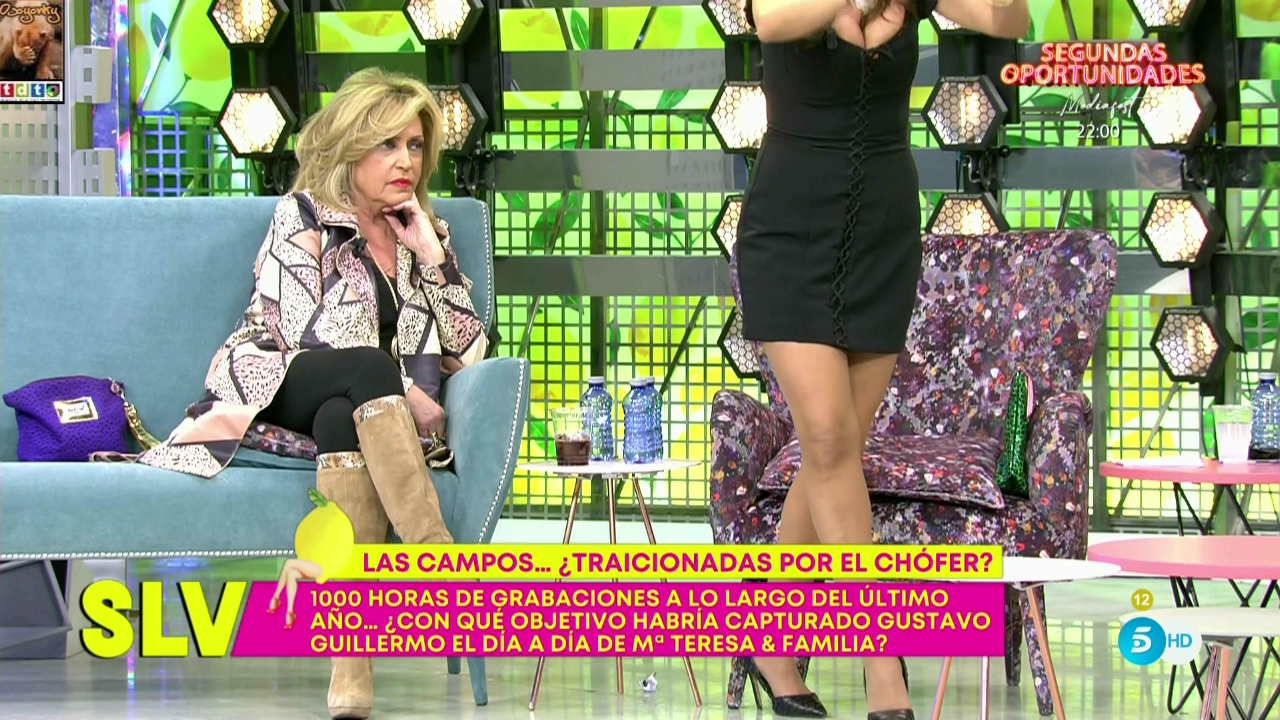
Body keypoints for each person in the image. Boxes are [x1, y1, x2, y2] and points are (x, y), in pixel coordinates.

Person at [136, 67, 488, 719]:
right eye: (388, 144)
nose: (406, 161)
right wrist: (404, 387)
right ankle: (440, 569)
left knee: (340, 418)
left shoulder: (424, 234)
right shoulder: (302, 217)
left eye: (415, 146)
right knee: (363, 374)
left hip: (354, 408)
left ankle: (350, 670)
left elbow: (469, 354)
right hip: (275, 377)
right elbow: (307, 334)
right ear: (352, 147)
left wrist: (432, 260)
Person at [734, 0, 1028, 717]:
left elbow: (1010, 18)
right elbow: (771, 23)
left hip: (882, 236)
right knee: (829, 438)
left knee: (831, 451)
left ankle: (766, 639)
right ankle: (881, 659)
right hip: (789, 233)